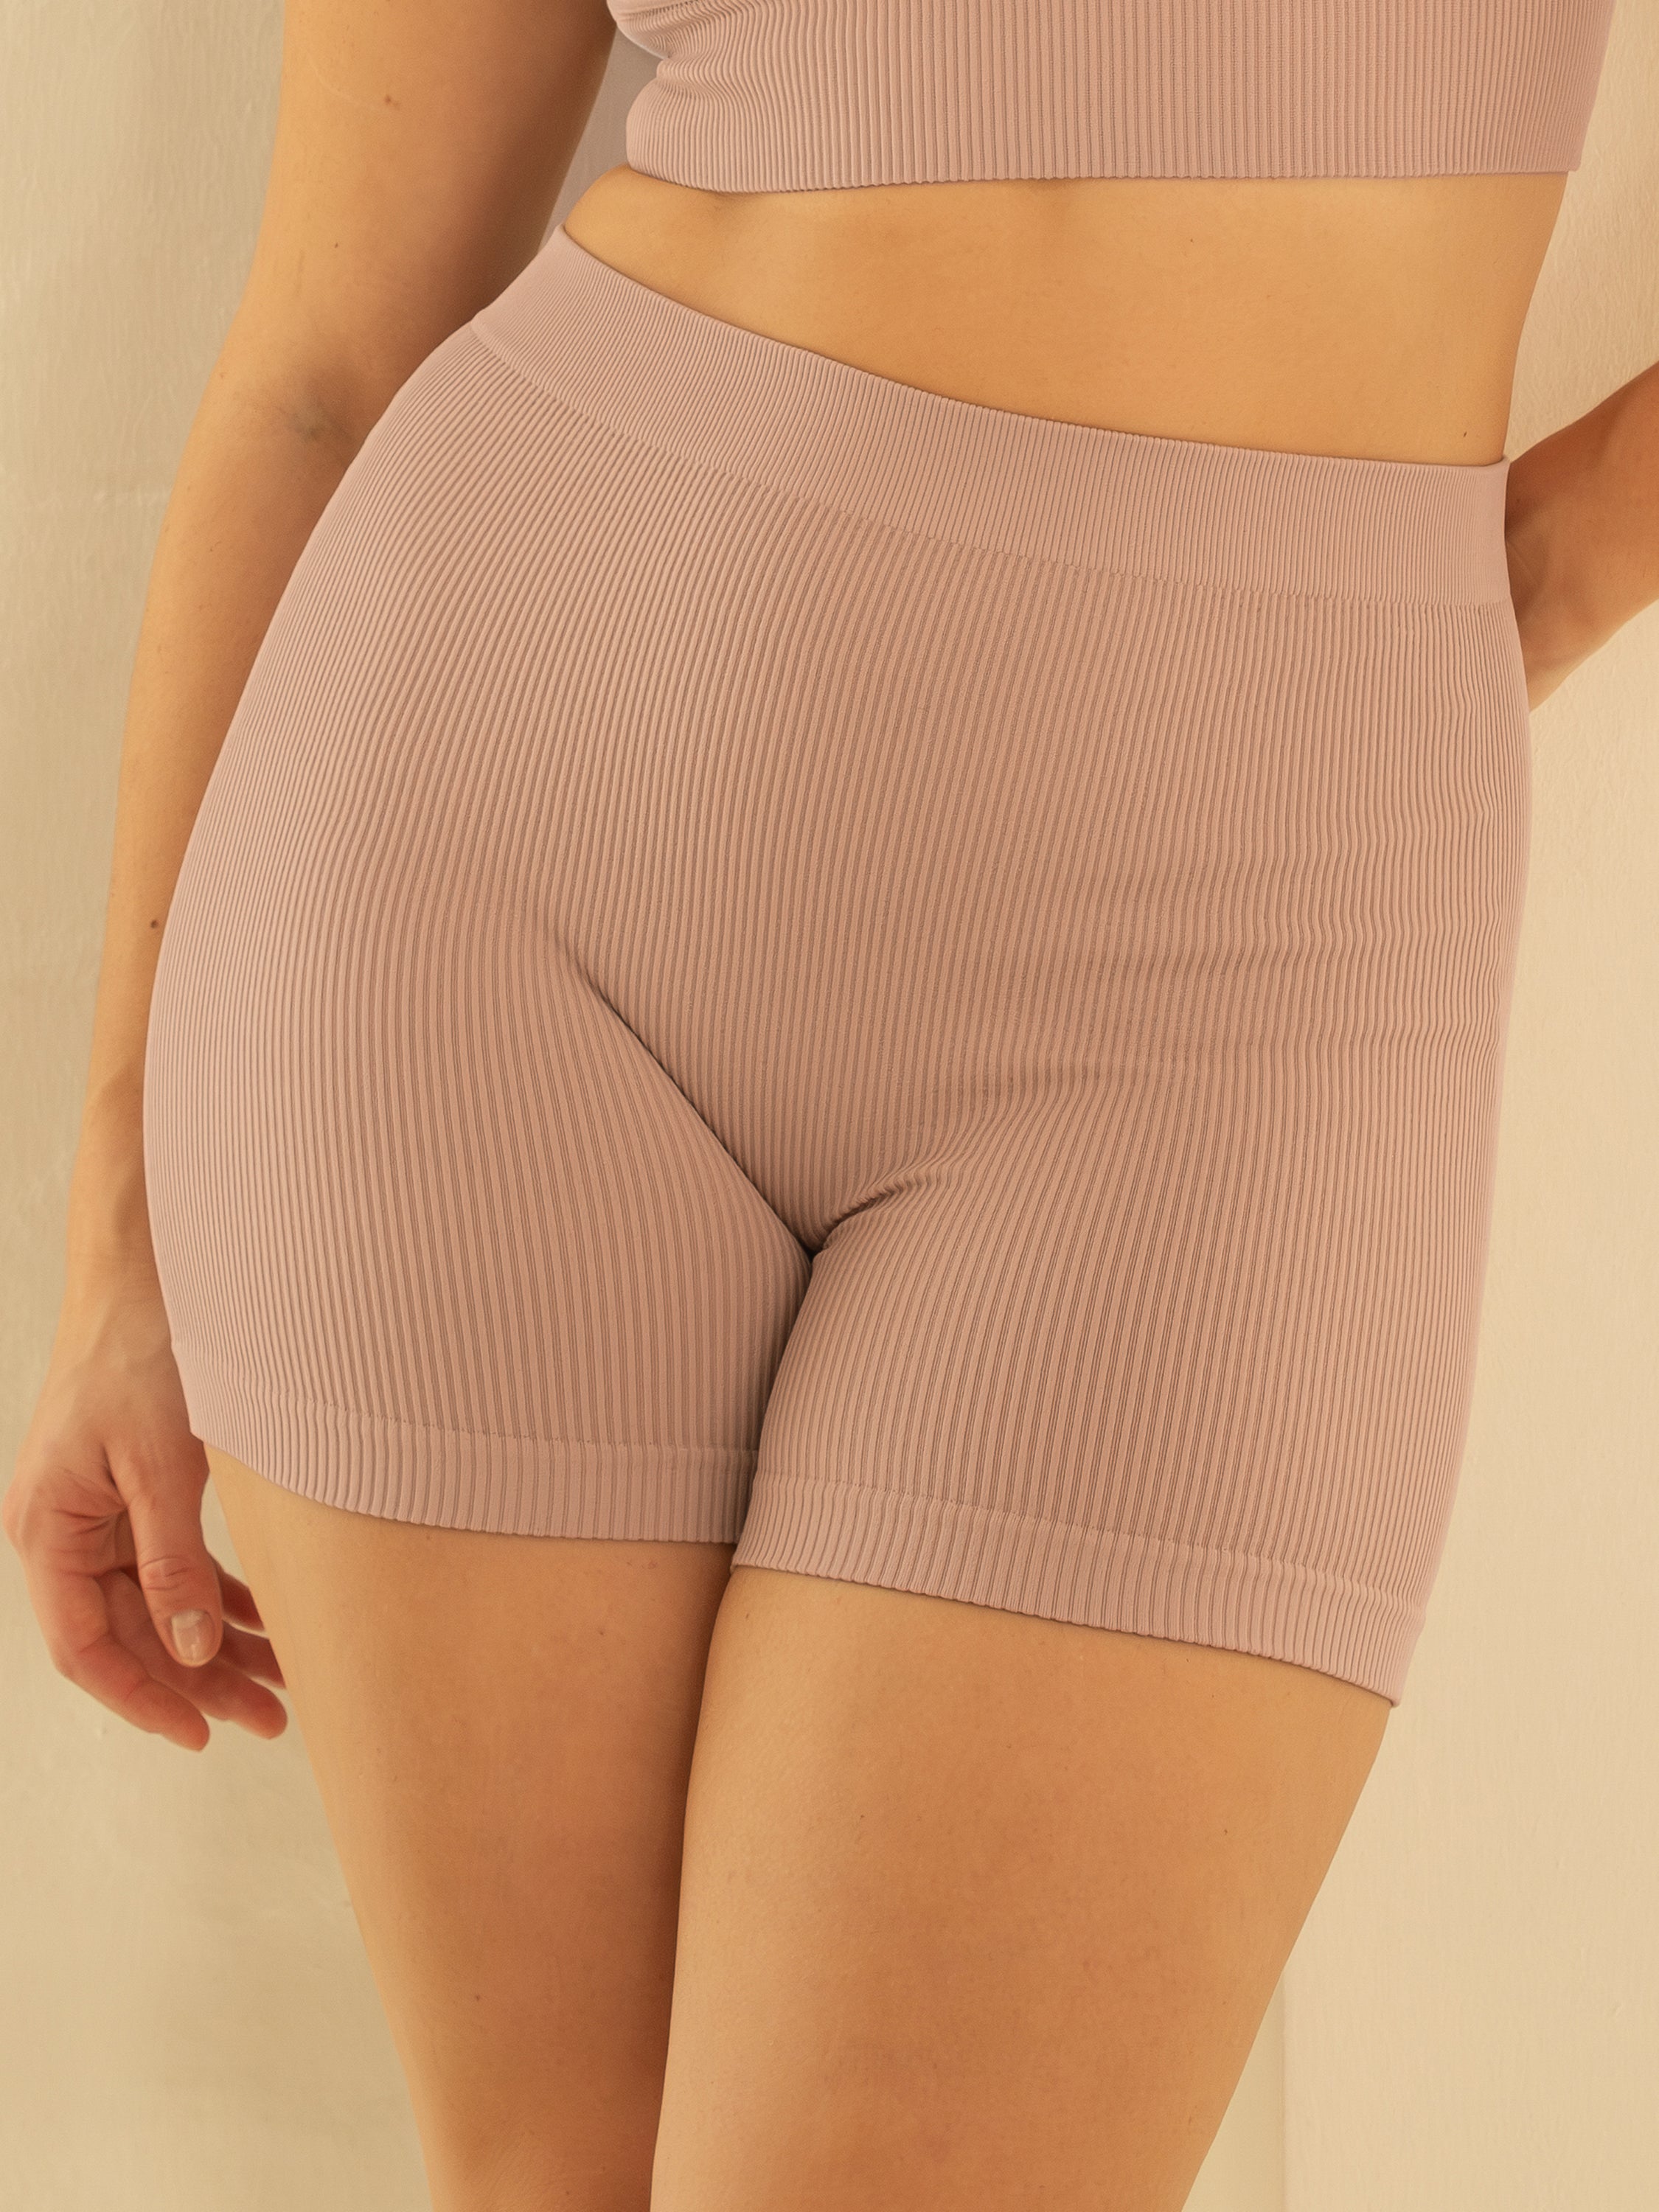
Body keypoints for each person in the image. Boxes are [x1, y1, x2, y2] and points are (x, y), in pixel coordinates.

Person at [6, 1, 1649, 2206]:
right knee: (556, 2176)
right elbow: (325, 350)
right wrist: (120, 1227)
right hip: (493, 868)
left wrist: (1534, 570)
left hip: (1233, 952)